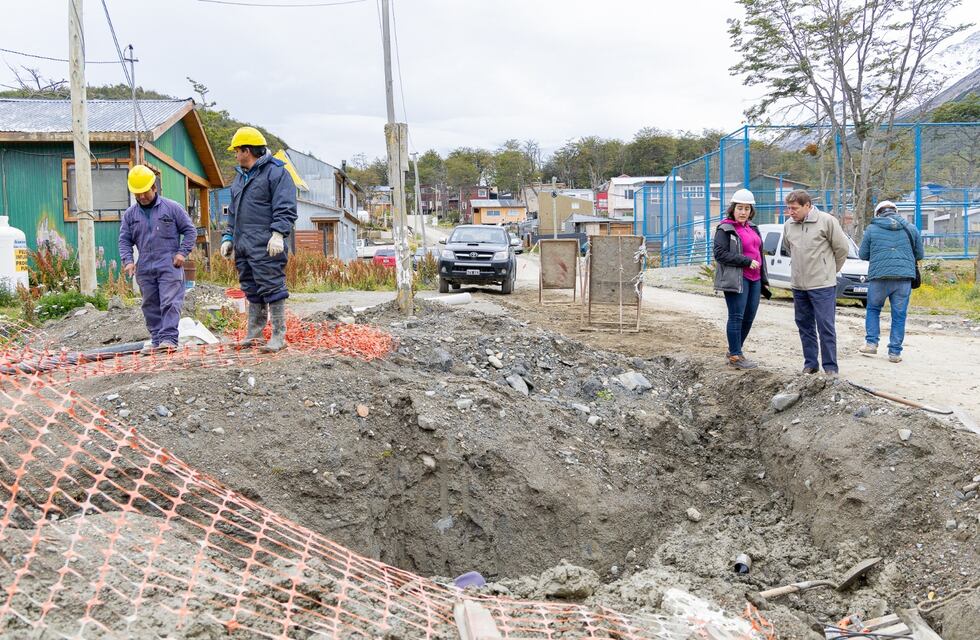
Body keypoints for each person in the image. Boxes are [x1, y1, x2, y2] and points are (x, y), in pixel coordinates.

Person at [220, 127, 297, 352]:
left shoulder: (276, 173)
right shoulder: (240, 178)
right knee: (251, 288)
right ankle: (254, 334)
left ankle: (278, 336)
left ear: (247, 150)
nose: (235, 155)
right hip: (243, 244)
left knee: (272, 286)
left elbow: (285, 206)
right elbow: (233, 212)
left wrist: (278, 234)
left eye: (237, 150)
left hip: (266, 243)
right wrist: (228, 237)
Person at [118, 164, 196, 353]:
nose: (142, 197)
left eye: (145, 192)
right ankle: (157, 340)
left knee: (170, 301)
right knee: (149, 304)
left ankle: (168, 340)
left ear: (154, 187)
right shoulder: (130, 215)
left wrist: (182, 253)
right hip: (144, 265)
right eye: (137, 194)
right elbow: (124, 240)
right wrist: (128, 261)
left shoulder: (172, 208)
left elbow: (190, 231)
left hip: (169, 263)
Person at [782, 189, 849, 375]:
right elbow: (789, 248)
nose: (791, 212)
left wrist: (829, 270)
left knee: (825, 326)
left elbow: (842, 248)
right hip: (798, 285)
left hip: (823, 285)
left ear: (807, 206)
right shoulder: (788, 225)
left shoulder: (827, 221)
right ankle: (810, 364)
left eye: (794, 208)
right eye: (788, 208)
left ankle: (830, 368)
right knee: (804, 326)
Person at [858, 200, 924, 363]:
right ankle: (895, 353)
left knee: (873, 309)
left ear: (878, 213)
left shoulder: (872, 229)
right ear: (896, 211)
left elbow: (862, 255)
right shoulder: (911, 228)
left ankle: (871, 343)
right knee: (899, 315)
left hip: (879, 277)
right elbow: (920, 255)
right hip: (903, 279)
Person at [713, 189, 772, 369]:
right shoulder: (725, 228)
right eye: (740, 208)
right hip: (737, 278)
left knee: (749, 317)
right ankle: (736, 356)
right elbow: (720, 254)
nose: (743, 212)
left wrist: (763, 278)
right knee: (736, 316)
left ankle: (734, 350)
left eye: (747, 208)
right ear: (733, 209)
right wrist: (746, 261)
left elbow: (759, 253)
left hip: (755, 279)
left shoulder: (753, 228)